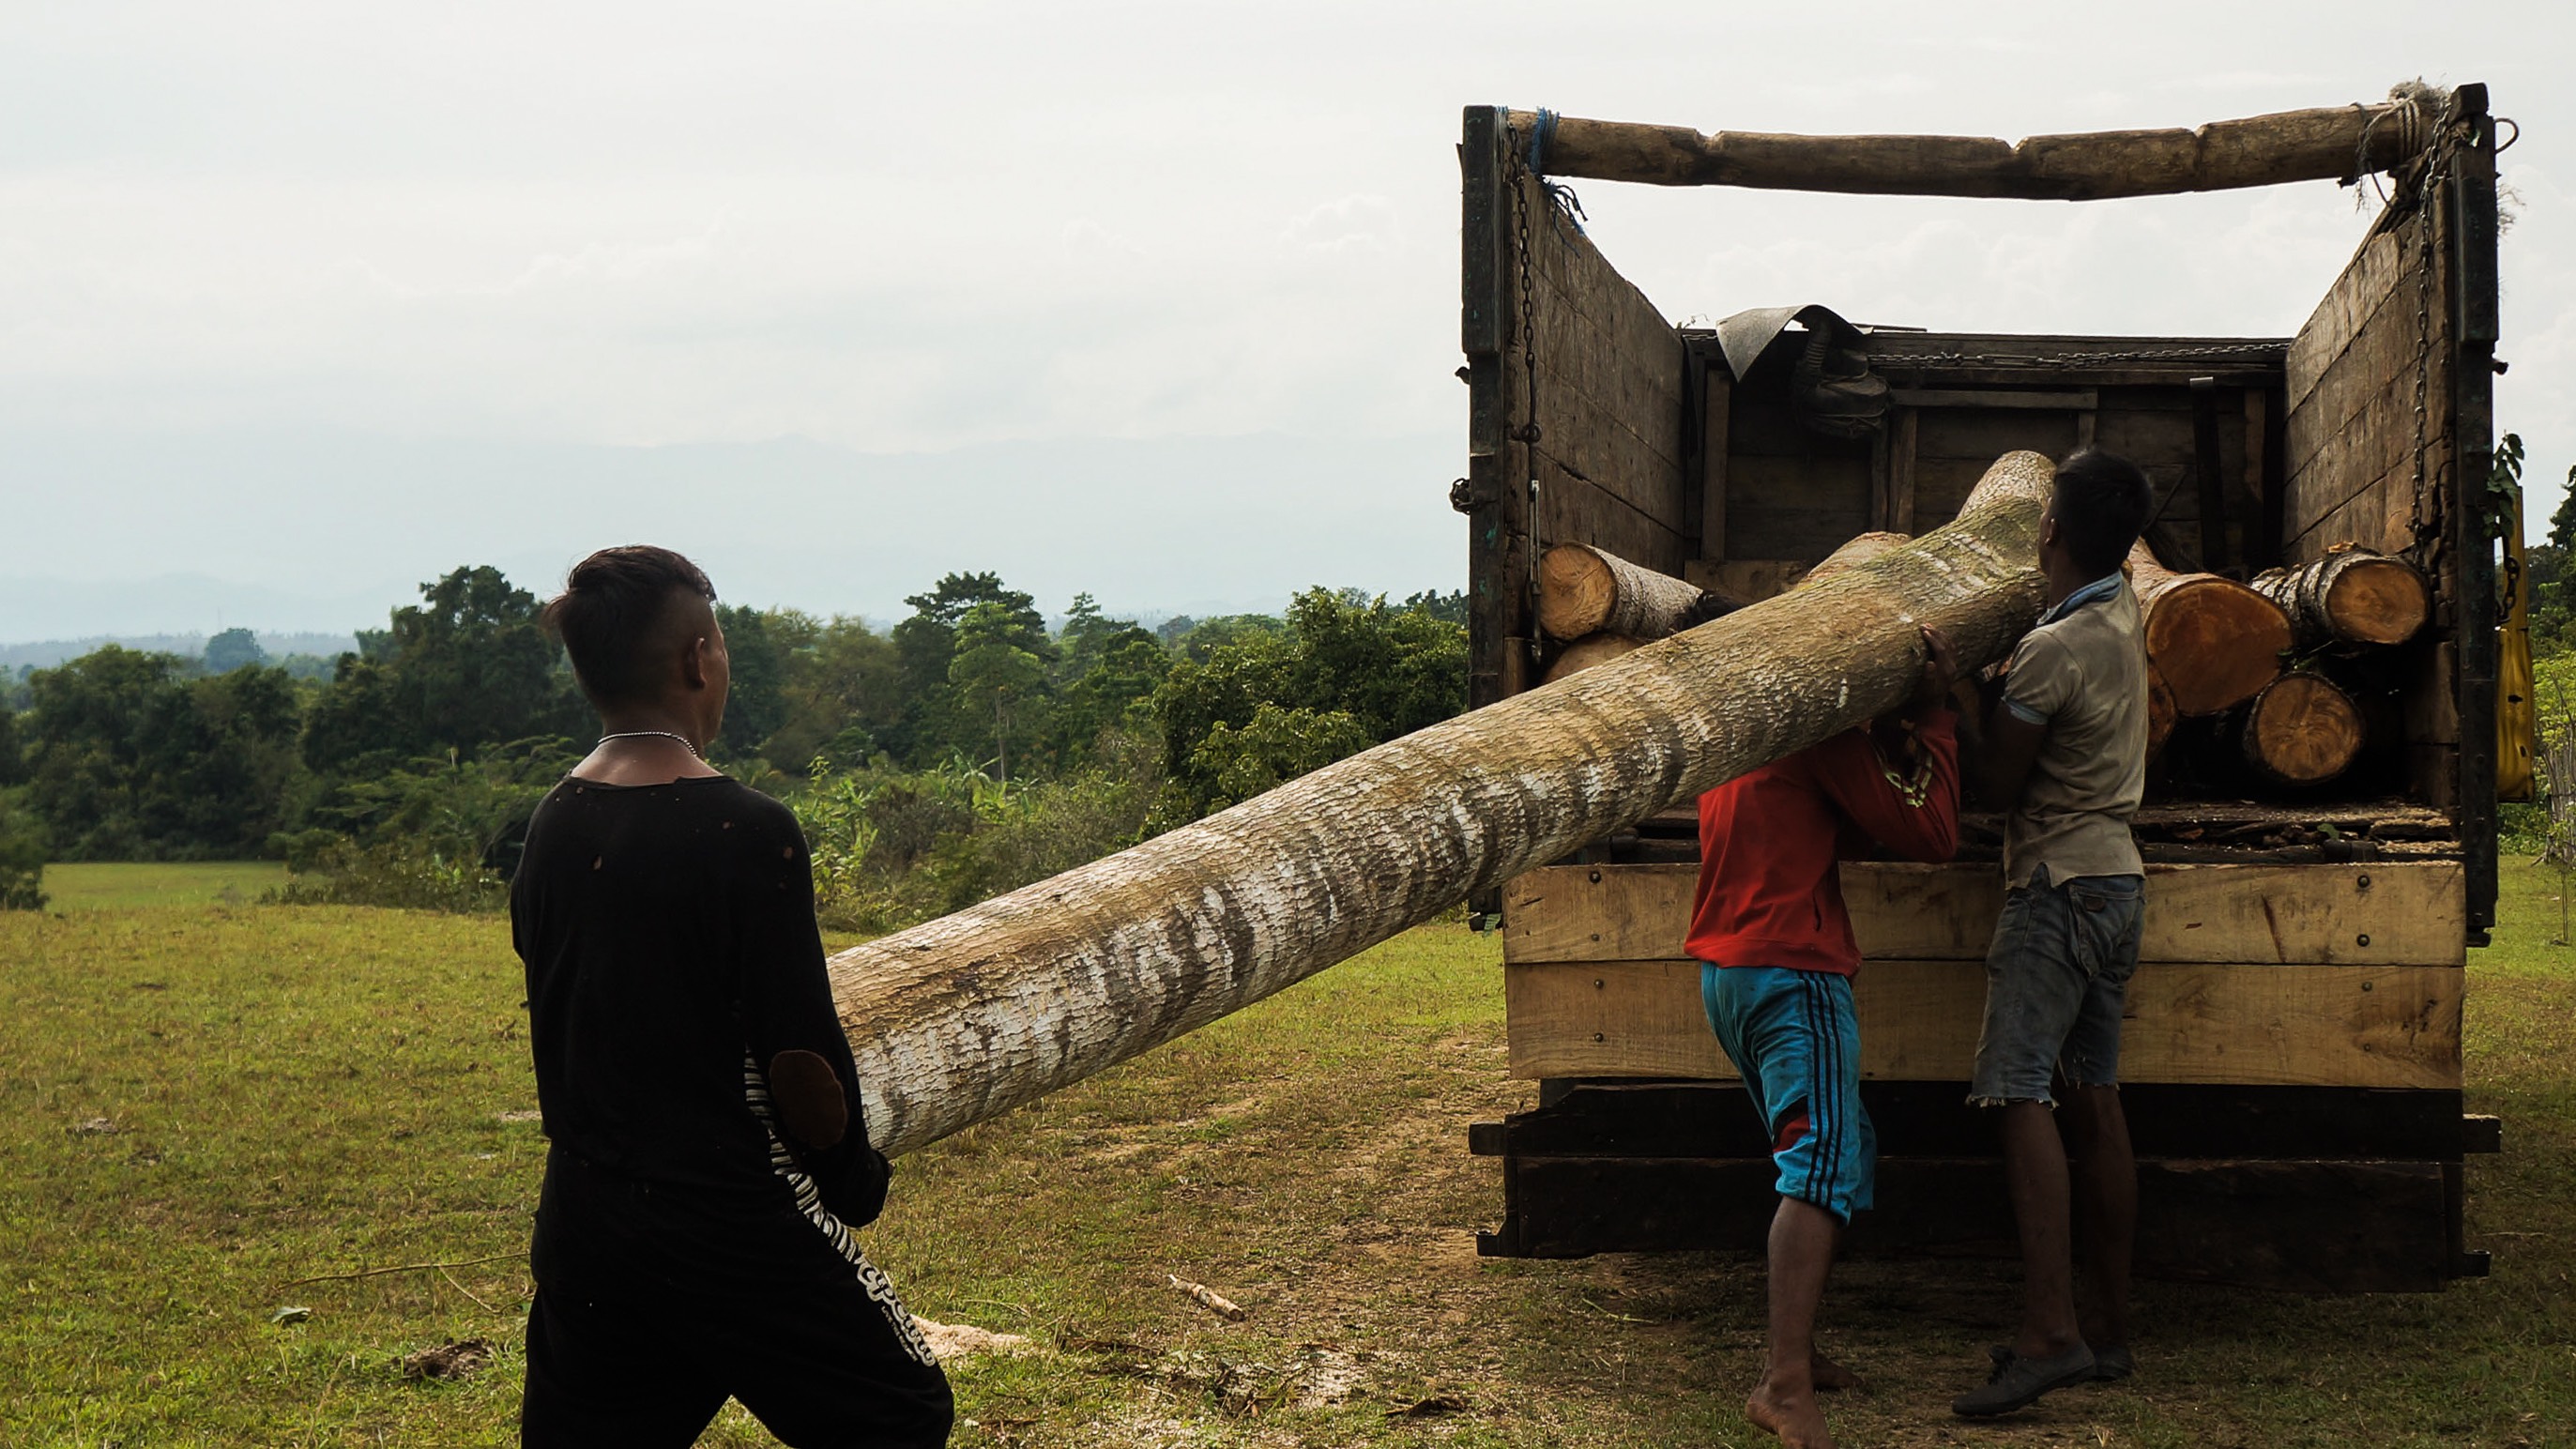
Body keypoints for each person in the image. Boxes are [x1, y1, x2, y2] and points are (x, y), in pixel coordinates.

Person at [512, 545, 953, 1447]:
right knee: (901, 1413)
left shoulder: (553, 821)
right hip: (727, 1219)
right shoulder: (746, 830)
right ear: (698, 659)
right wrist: (852, 1181)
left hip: (584, 1218)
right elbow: (800, 1058)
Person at [1691, 620, 1960, 1449]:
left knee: (1833, 1151)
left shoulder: (1742, 728)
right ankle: (1781, 1382)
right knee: (1819, 1163)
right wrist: (1938, 715)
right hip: (1791, 969)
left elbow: (1832, 823)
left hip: (1731, 972)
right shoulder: (1815, 729)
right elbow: (1932, 835)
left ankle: (1798, 1353)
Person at [1952, 450, 2156, 1419]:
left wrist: (1951, 688)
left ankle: (2049, 1334)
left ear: (2047, 531)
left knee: (2016, 1088)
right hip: (2117, 880)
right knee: (2094, 1095)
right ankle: (2106, 1331)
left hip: (2057, 886)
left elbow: (1996, 783)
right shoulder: (2121, 611)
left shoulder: (2052, 648)